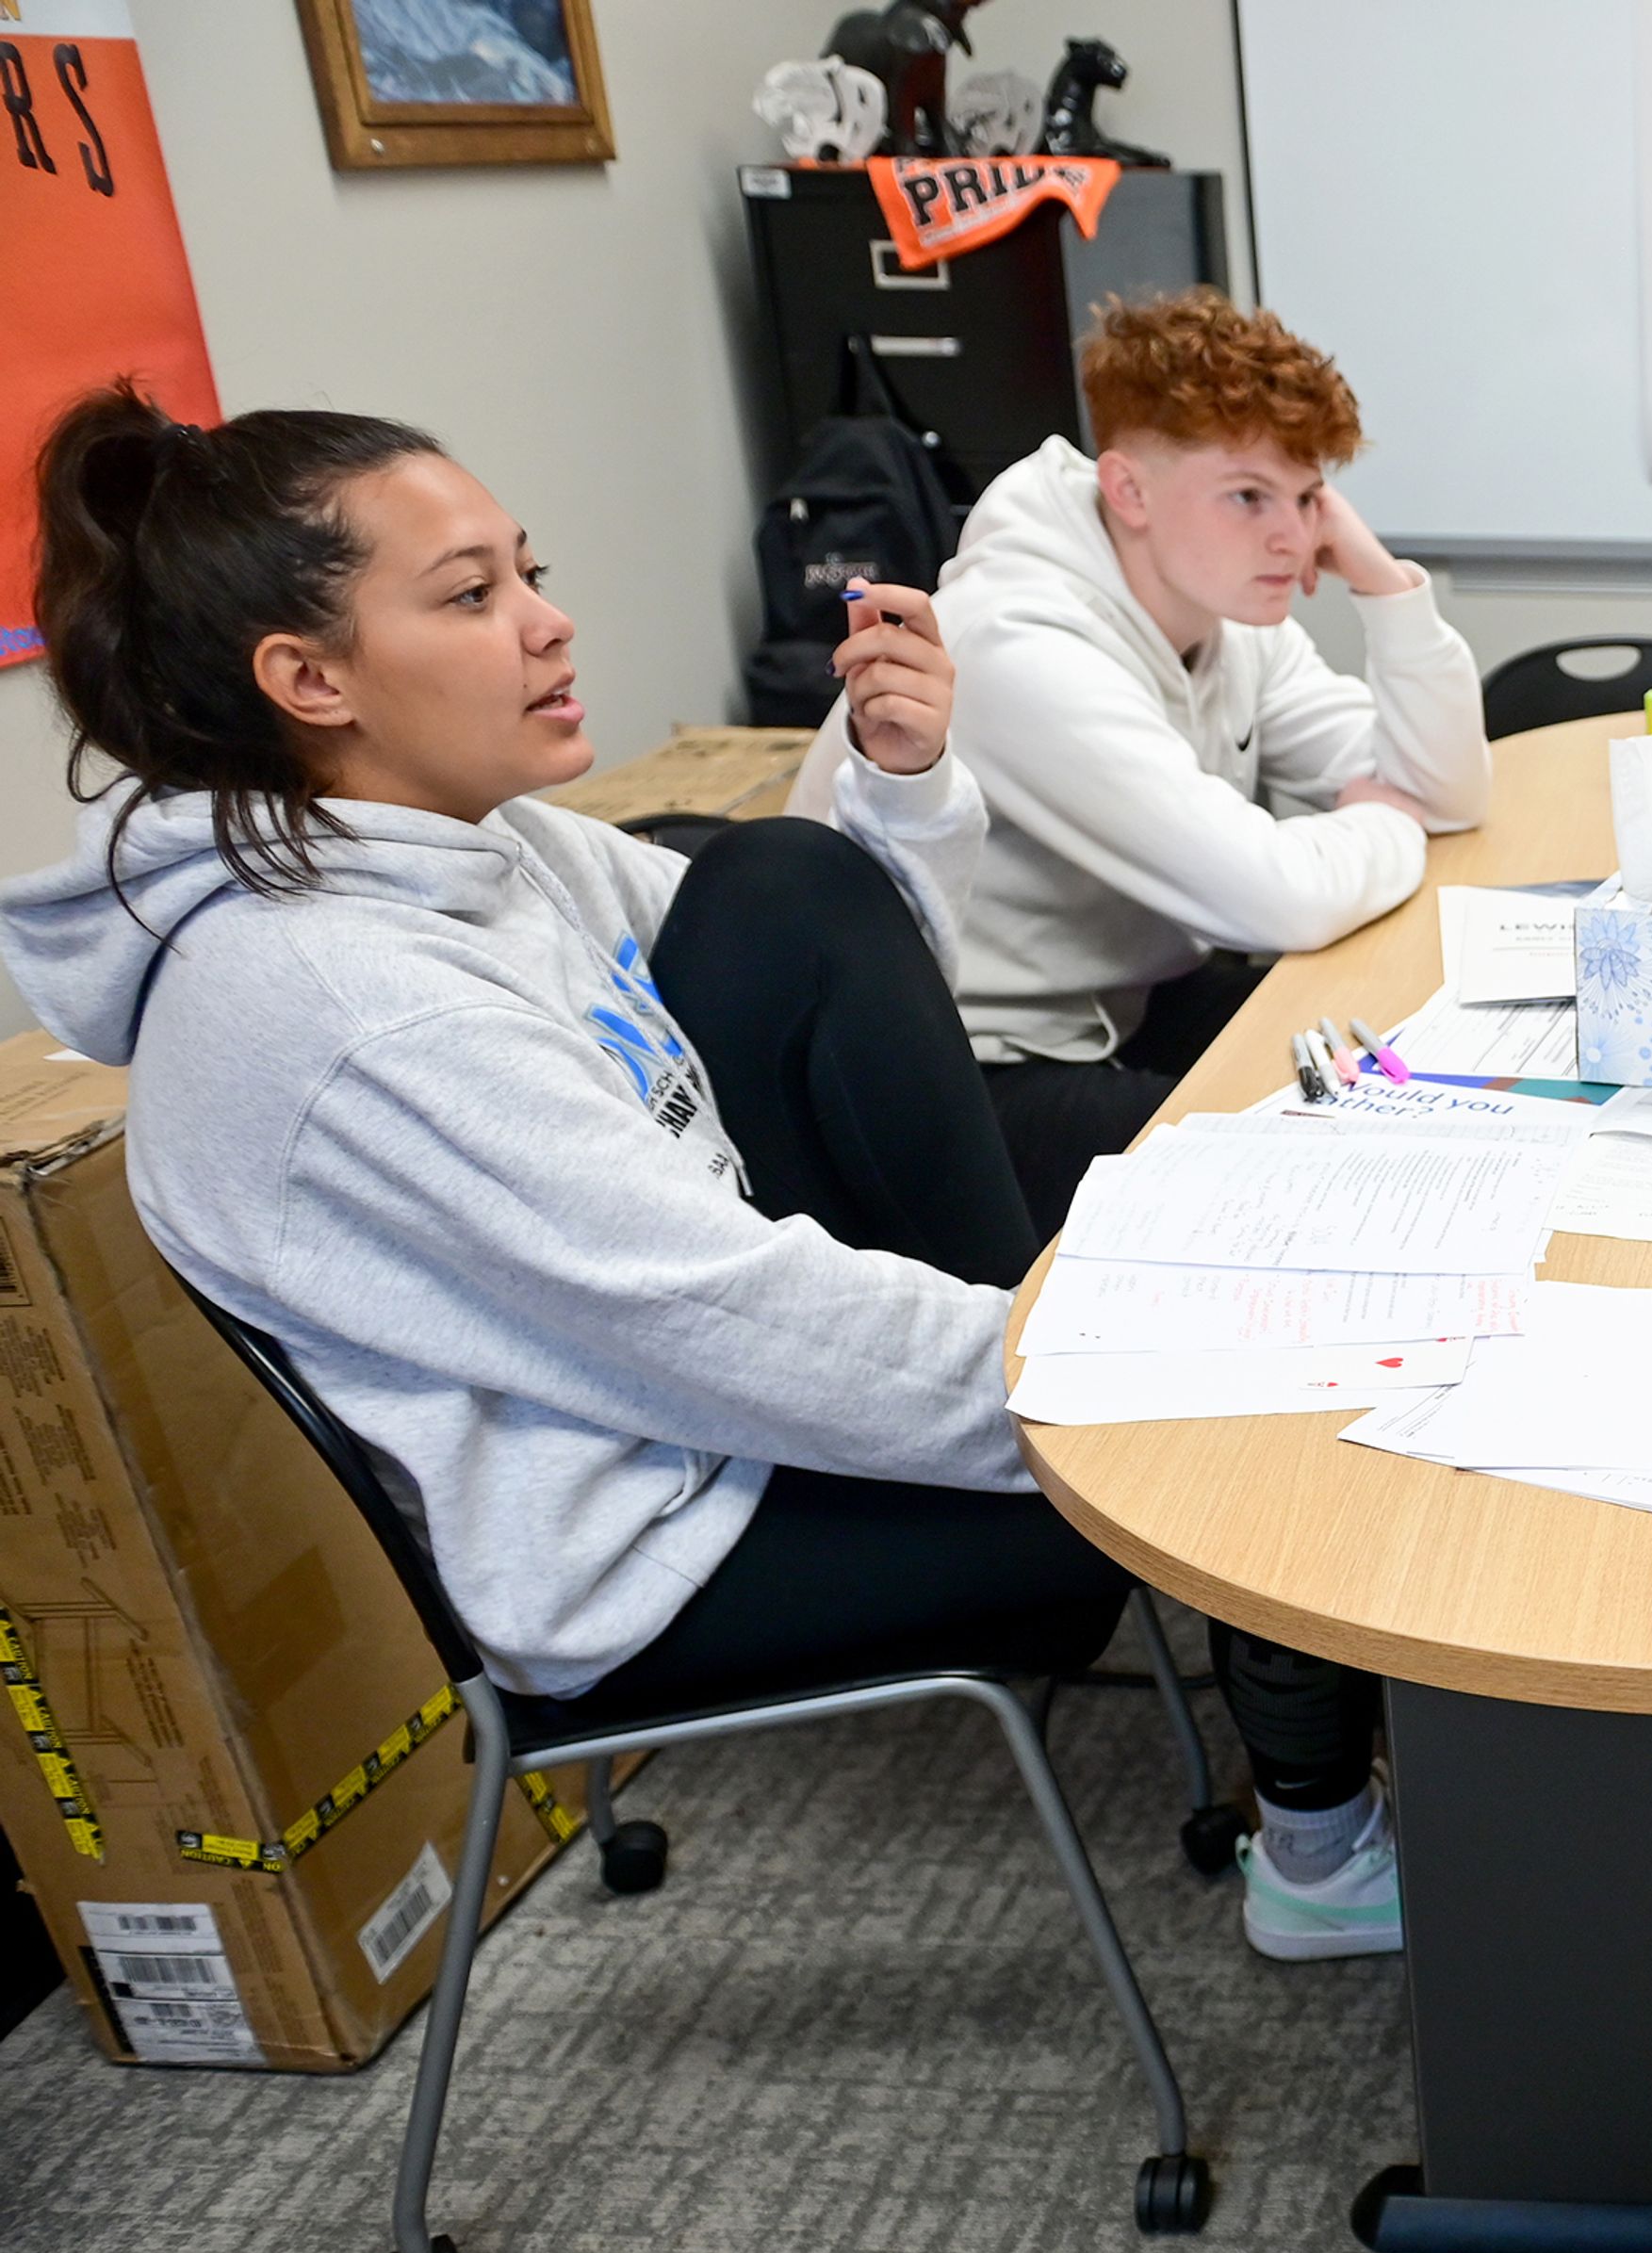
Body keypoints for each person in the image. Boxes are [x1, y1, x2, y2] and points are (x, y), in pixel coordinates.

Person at [0, 384, 1398, 1964]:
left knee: (792, 879)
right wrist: (1116, 1377)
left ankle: (1143, 1396)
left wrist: (899, 780)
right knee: (1268, 1432)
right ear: (307, 677)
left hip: (709, 1380)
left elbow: (839, 962)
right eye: (474, 595)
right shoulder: (343, 1010)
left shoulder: (486, 848)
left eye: (528, 570)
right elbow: (721, 1319)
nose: (549, 621)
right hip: (662, 1533)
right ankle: (1323, 1857)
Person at [793, 287, 1493, 1238]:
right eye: (1249, 496)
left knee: (1418, 1064)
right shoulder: (1019, 641)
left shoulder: (1225, 611)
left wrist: (1382, 583)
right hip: (964, 1071)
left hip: (1118, 998)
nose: (1294, 537)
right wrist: (1386, 822)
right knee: (1335, 1186)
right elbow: (1278, 895)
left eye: (1309, 496)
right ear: (1127, 490)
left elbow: (1449, 787)